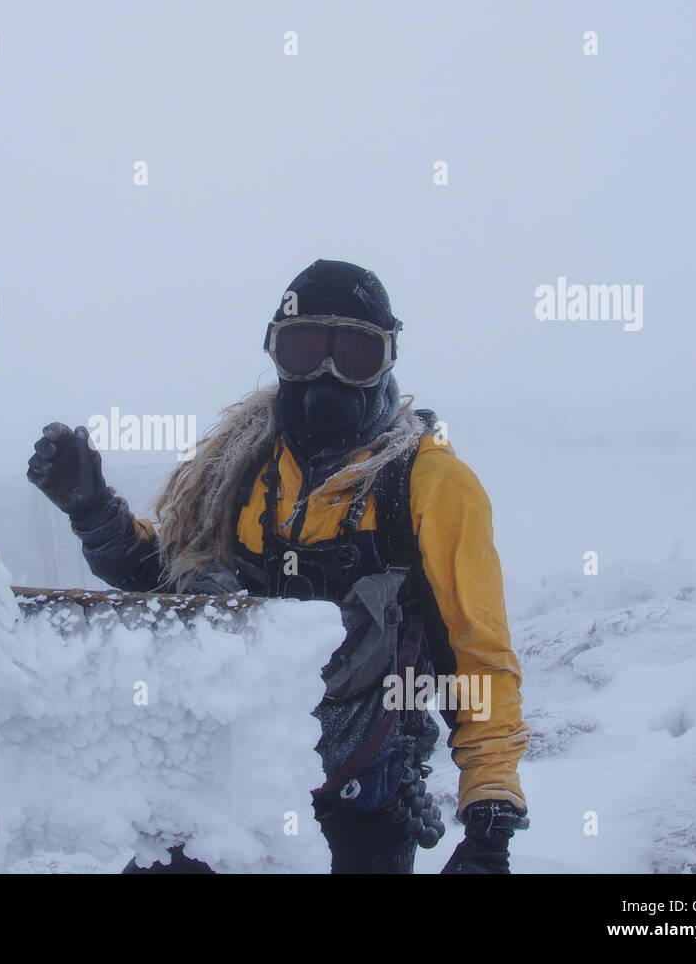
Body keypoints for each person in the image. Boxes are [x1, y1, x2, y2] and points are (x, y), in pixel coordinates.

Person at [27, 259, 530, 873]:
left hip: (360, 797)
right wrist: (95, 513)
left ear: (388, 361)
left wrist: (488, 825)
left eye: (354, 354)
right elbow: (171, 584)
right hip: (229, 786)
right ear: (274, 352)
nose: (327, 374)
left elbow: (477, 658)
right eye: (303, 349)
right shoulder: (235, 470)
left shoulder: (429, 484)